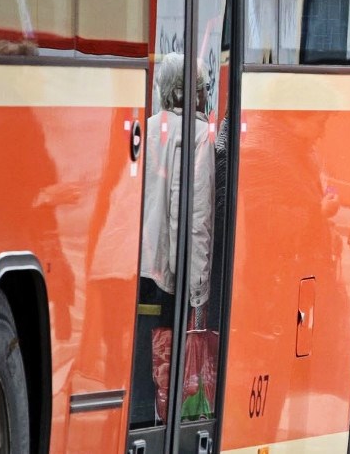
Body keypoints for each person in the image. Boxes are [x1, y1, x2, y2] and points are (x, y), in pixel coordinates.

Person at [131, 52, 215, 425]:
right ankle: (165, 426)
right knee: (169, 358)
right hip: (171, 275)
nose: (205, 95)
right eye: (202, 88)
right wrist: (198, 288)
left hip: (141, 270)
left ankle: (138, 427)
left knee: (143, 356)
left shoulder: (145, 128)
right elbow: (194, 219)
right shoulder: (199, 138)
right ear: (189, 93)